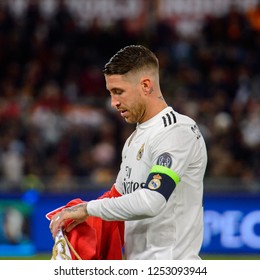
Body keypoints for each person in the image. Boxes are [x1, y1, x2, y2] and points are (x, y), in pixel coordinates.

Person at [49, 45, 208, 260]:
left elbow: (152, 200)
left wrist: (88, 209)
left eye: (118, 92)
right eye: (110, 93)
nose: (113, 102)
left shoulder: (176, 130)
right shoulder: (135, 138)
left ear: (145, 85)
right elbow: (118, 197)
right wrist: (80, 225)